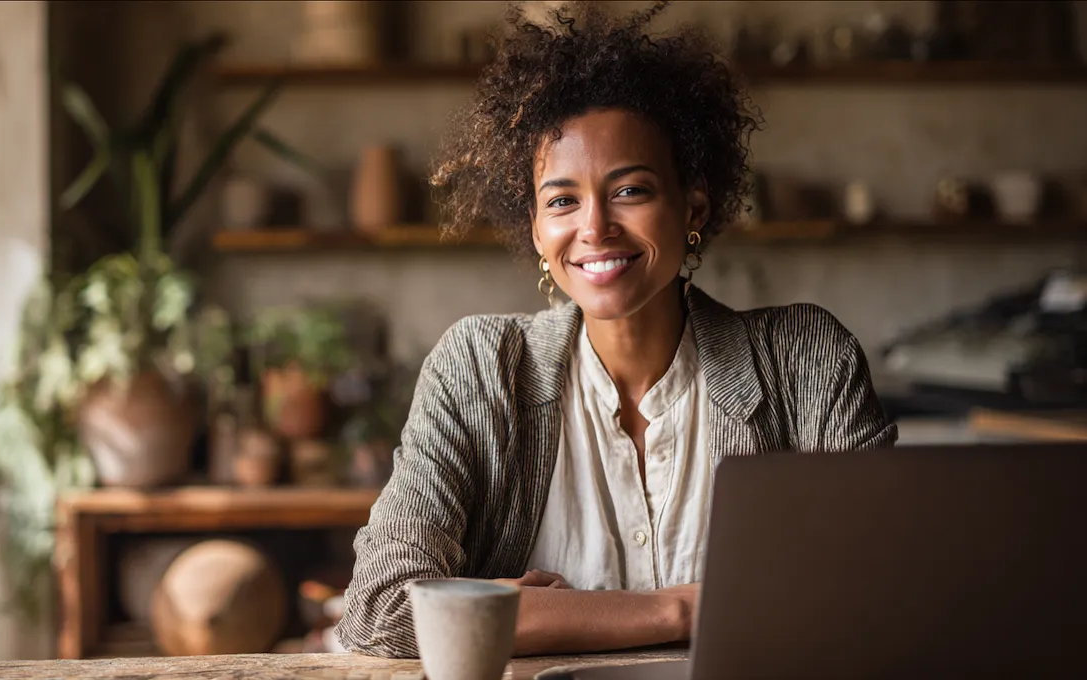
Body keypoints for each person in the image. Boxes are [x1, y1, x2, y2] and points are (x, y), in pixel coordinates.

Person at [334, 1, 896, 659]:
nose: (594, 227)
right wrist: (681, 606)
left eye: (630, 191)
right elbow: (382, 612)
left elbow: (873, 589)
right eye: (563, 201)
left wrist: (511, 608)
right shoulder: (480, 366)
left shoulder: (803, 360)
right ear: (538, 231)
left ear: (693, 204)